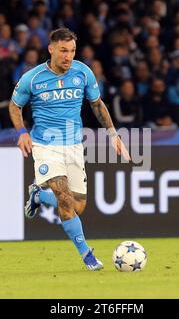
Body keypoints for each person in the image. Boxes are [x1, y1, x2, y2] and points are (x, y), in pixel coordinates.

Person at [9, 28, 130, 271]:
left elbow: (97, 104)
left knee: (77, 206)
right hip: (45, 145)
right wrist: (22, 133)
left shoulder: (83, 72)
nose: (68, 56)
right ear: (51, 49)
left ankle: (38, 194)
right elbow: (14, 106)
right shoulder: (32, 78)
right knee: (64, 199)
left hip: (74, 145)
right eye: (64, 50)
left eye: (72, 51)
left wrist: (114, 134)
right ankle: (87, 255)